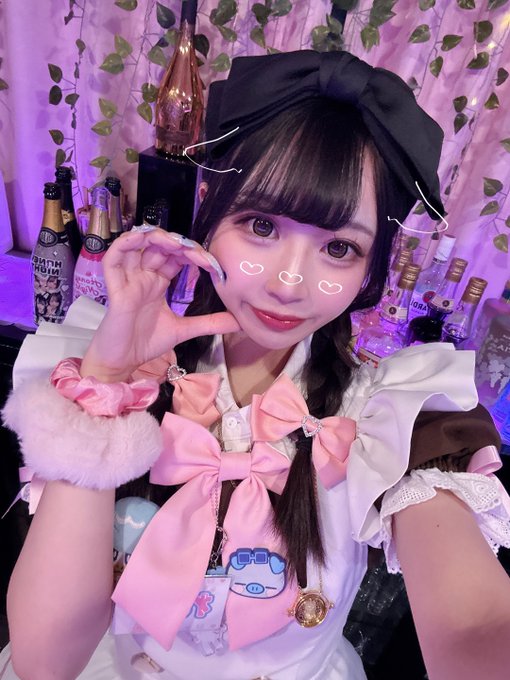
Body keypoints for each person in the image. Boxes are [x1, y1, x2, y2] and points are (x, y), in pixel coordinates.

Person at [2, 50, 510, 680]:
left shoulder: (391, 419)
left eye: (339, 248)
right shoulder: (120, 377)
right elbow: (46, 661)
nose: (289, 283)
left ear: (372, 268)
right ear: (209, 207)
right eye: (262, 226)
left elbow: (475, 626)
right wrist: (105, 385)